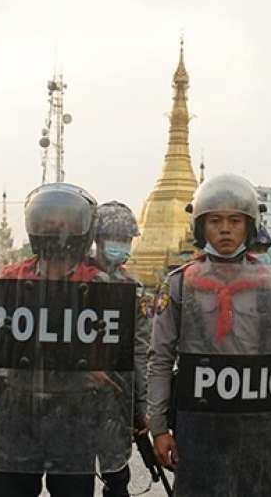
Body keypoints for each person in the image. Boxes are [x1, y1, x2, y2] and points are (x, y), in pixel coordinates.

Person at [148, 173, 271, 496]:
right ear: (200, 227)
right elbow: (160, 359)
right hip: (198, 421)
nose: (225, 229)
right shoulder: (179, 284)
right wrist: (159, 428)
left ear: (249, 227)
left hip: (257, 421)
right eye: (215, 220)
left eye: (235, 220)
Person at [0, 183, 124, 496]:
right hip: (17, 405)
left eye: (65, 221)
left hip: (75, 408)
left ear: (83, 229)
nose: (55, 229)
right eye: (47, 221)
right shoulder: (11, 279)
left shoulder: (100, 285)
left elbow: (113, 350)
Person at [90, 200, 151, 497]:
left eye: (125, 240)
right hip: (74, 395)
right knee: (74, 479)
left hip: (116, 396)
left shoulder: (134, 289)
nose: (120, 246)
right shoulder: (76, 281)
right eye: (113, 238)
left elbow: (140, 351)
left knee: (117, 477)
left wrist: (142, 407)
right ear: (97, 240)